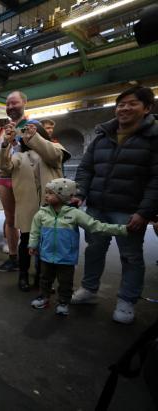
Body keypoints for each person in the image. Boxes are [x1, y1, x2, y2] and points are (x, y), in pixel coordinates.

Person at [70, 86, 158, 324]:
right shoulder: (102, 135)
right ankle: (89, 289)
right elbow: (86, 168)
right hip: (97, 206)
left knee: (130, 256)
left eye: (132, 103)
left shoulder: (153, 137)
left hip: (130, 210)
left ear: (147, 108)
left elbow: (156, 179)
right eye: (121, 104)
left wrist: (144, 212)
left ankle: (127, 301)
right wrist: (80, 193)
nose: (125, 108)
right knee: (94, 249)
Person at [28, 178, 128, 316]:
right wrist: (33, 244)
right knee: (44, 279)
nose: (46, 196)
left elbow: (96, 226)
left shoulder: (75, 214)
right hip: (46, 255)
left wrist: (122, 229)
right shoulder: (42, 213)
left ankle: (63, 303)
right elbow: (35, 231)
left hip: (66, 257)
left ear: (62, 196)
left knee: (65, 283)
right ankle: (44, 298)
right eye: (46, 192)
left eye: (50, 193)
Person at [0, 119, 70, 292]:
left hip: (50, 208)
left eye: (33, 131)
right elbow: (3, 166)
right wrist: (6, 143)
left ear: (41, 134)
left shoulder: (55, 149)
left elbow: (54, 156)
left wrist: (34, 137)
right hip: (27, 207)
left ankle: (41, 278)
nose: (28, 134)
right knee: (26, 243)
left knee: (48, 246)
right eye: (26, 132)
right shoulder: (19, 155)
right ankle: (23, 275)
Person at [0, 91, 30, 273]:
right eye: (8, 104)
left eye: (14, 103)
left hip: (23, 175)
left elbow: (32, 151)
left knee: (27, 218)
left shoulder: (31, 125)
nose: (10, 107)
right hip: (3, 176)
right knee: (10, 219)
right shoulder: (3, 128)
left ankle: (28, 255)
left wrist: (15, 139)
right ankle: (13, 258)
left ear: (24, 103)